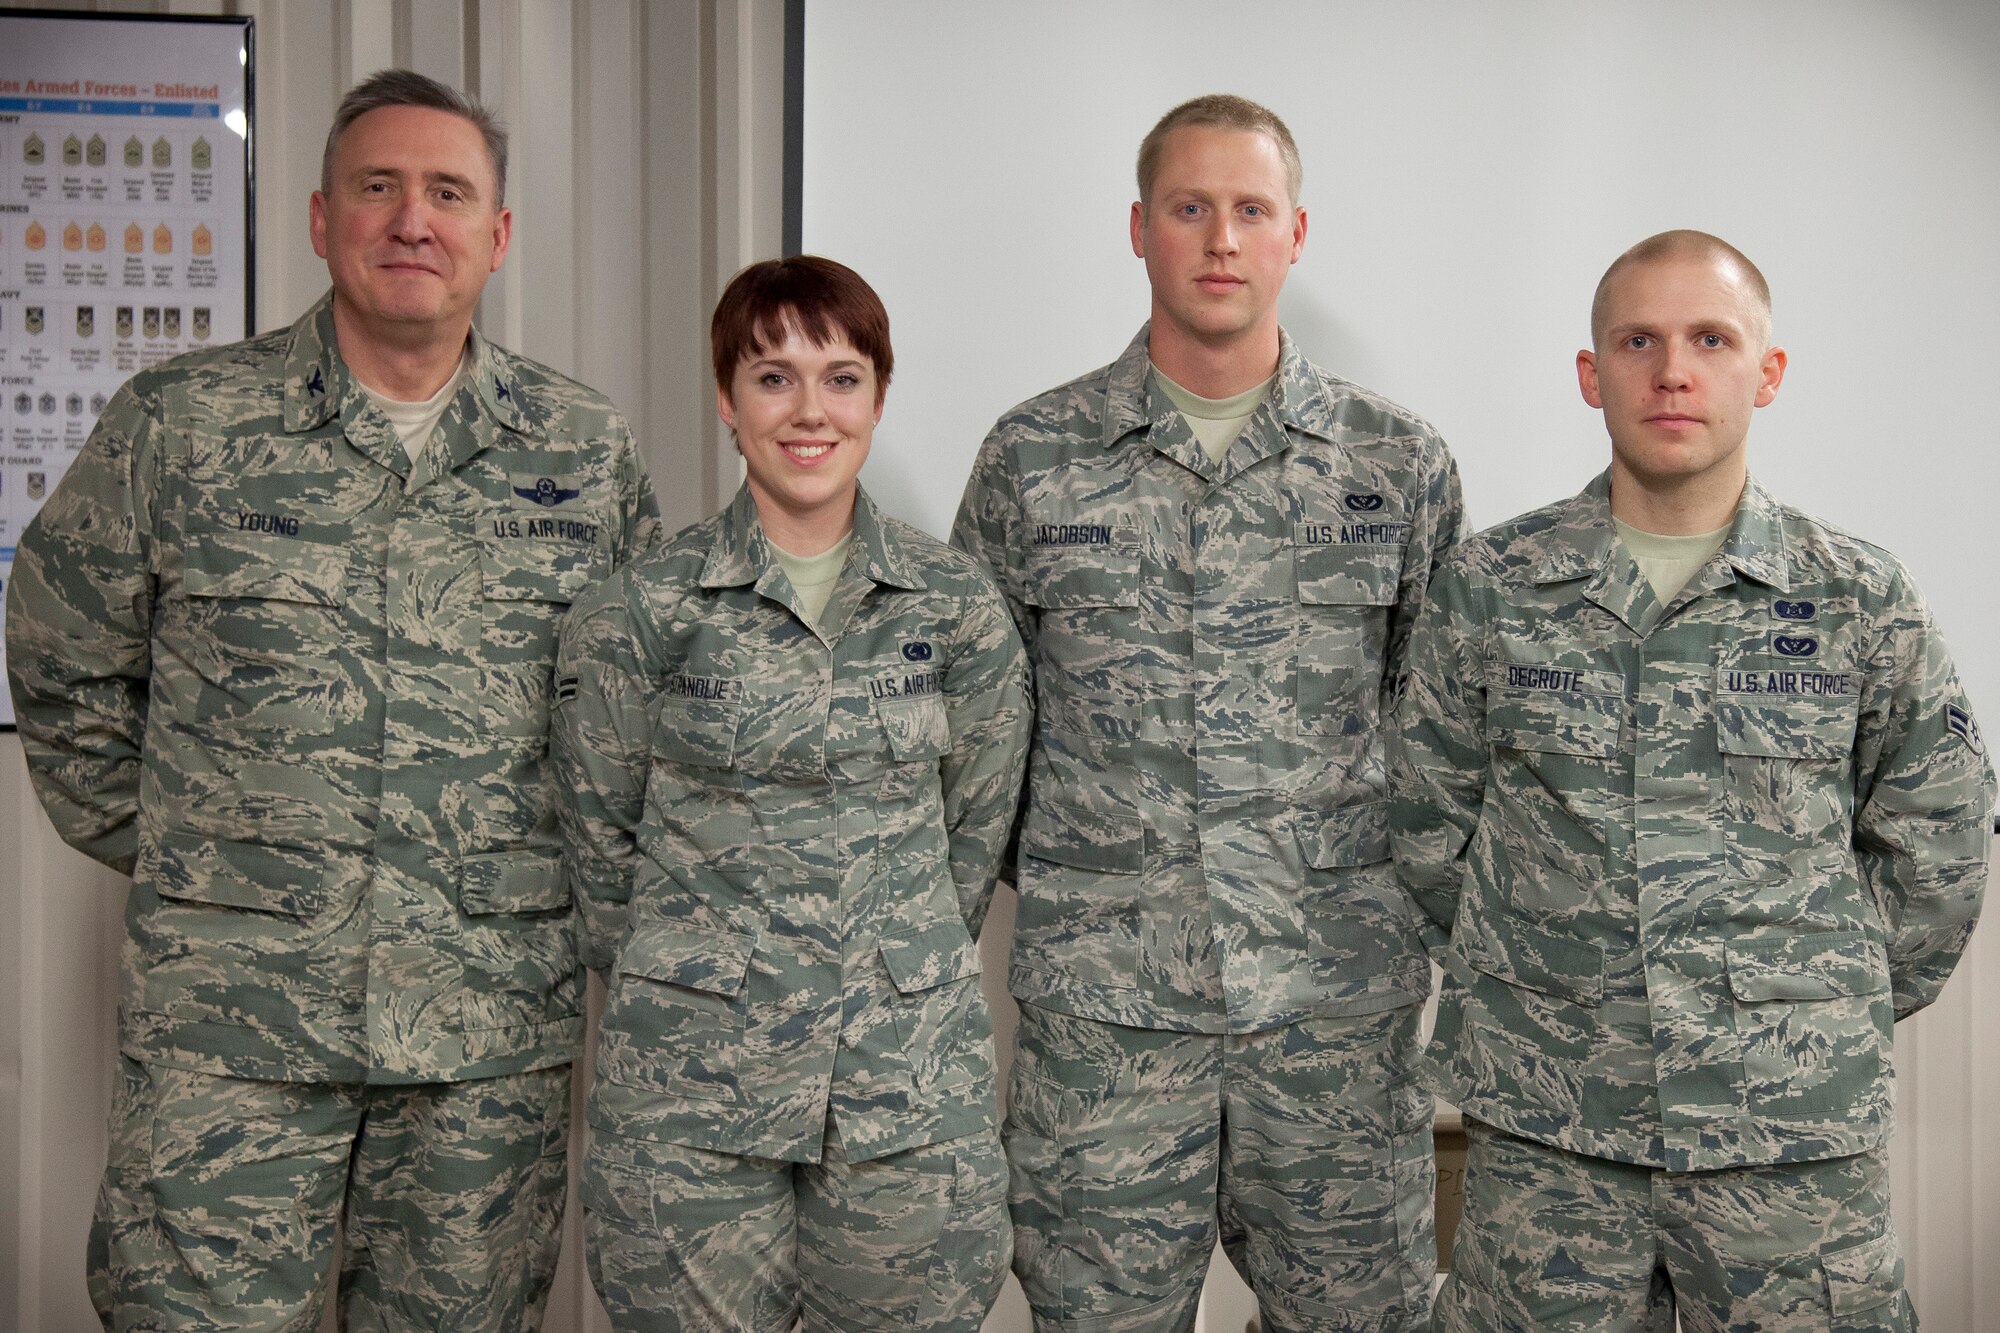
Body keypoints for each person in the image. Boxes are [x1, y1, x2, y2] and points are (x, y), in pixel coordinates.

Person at [5, 70, 658, 1331]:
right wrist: (210, 859)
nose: (413, 220)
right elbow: (61, 656)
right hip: (231, 1033)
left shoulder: (583, 452)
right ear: (320, 219)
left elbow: (622, 724)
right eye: (379, 187)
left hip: (484, 1038)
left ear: (498, 235)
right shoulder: (185, 424)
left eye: (449, 193)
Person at [1391, 229, 1994, 1331]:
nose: (1672, 369)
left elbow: (1939, 838)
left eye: (1709, 338)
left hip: (1786, 1142)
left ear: (1763, 371)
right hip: (1552, 1130)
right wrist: (1554, 983)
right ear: (1591, 374)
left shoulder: (1856, 597)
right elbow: (1428, 822)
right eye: (1638, 340)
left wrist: (1808, 998)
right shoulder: (1493, 586)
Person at [951, 94, 1464, 1331]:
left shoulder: (1395, 465)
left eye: (1248, 210)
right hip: (1107, 1032)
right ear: (1138, 229)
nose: (1219, 239)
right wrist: (1101, 880)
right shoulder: (1033, 458)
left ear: (1296, 233)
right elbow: (976, 738)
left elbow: (1439, 737)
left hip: (1333, 1020)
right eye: (1189, 209)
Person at [552, 255, 1031, 1331]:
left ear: (877, 396)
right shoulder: (639, 614)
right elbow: (600, 854)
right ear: (726, 399)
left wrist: (878, 964)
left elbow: (971, 841)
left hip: (902, 1100)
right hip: (689, 1102)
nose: (809, 410)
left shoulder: (955, 610)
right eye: (772, 377)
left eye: (842, 376)